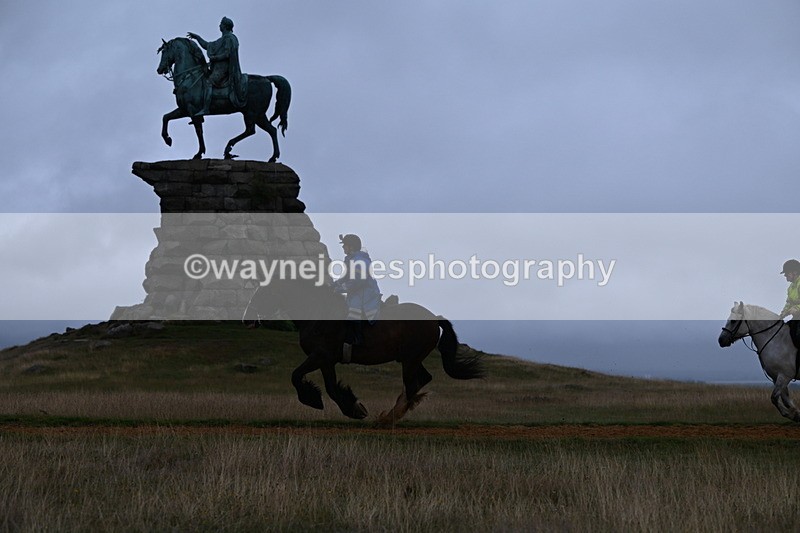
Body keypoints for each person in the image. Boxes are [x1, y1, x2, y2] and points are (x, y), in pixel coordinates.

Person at [187, 16, 247, 115]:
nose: (219, 25)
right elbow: (207, 45)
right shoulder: (222, 39)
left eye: (221, 24)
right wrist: (197, 37)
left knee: (208, 82)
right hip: (218, 68)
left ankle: (206, 108)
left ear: (225, 26)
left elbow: (227, 54)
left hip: (224, 69)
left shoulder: (229, 38)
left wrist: (215, 58)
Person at [332, 234, 382, 347]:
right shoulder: (351, 260)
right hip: (357, 290)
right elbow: (345, 277)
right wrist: (333, 284)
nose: (343, 247)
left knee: (353, 310)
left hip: (365, 291)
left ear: (351, 247)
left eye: (345, 245)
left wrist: (340, 289)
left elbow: (358, 281)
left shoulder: (360, 260)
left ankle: (358, 339)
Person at [779, 259, 800, 345]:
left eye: (787, 273)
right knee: (785, 332)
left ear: (794, 272)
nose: (785, 276)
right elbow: (788, 303)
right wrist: (782, 314)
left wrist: (796, 308)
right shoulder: (790, 288)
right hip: (797, 317)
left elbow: (794, 307)